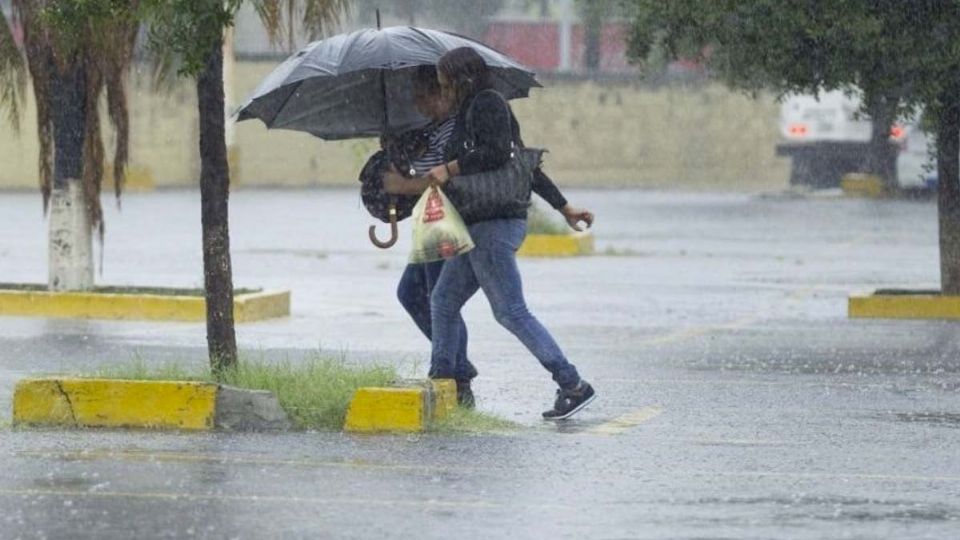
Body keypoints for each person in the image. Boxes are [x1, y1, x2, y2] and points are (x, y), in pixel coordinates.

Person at [385, 50, 596, 419]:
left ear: (462, 77)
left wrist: (449, 168)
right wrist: (565, 208)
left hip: (496, 224)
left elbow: (500, 154)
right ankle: (445, 381)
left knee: (511, 311)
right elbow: (523, 163)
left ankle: (572, 383)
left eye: (446, 81)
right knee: (443, 301)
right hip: (477, 225)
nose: (444, 88)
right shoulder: (468, 113)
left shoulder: (487, 103)